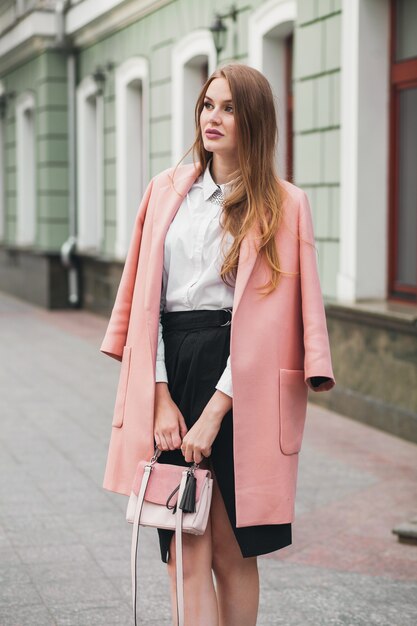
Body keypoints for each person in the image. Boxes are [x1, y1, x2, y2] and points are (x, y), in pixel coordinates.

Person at [100, 62, 335, 626]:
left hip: (242, 381)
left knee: (231, 550)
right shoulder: (163, 192)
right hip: (172, 366)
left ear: (251, 119)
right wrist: (160, 396)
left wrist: (212, 414)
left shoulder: (284, 203)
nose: (214, 117)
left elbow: (274, 327)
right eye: (208, 104)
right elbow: (145, 309)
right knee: (183, 544)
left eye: (229, 107)